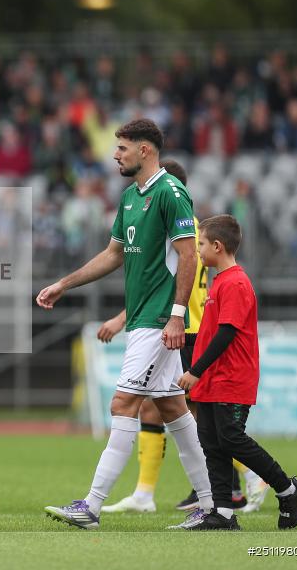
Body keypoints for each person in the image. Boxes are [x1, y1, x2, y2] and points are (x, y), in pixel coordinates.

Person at [37, 119, 213, 530]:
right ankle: (213, 503)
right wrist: (64, 283)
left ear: (145, 150)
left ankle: (92, 505)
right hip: (140, 320)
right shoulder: (132, 196)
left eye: (122, 148)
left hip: (157, 321)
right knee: (173, 407)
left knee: (123, 404)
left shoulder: (171, 193)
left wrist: (176, 316)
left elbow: (188, 256)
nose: (115, 154)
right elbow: (113, 254)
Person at [98, 160, 267, 515]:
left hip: (186, 329)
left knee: (194, 412)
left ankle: (245, 477)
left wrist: (123, 318)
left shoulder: (181, 233)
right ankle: (174, 493)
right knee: (166, 408)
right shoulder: (193, 230)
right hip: (182, 326)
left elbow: (167, 284)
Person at [177, 215, 297, 530]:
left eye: (202, 244)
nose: (198, 250)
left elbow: (226, 334)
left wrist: (194, 370)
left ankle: (288, 488)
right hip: (213, 380)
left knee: (231, 438)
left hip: (231, 378)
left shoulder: (236, 281)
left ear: (218, 246)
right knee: (211, 442)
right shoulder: (219, 280)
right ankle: (223, 513)